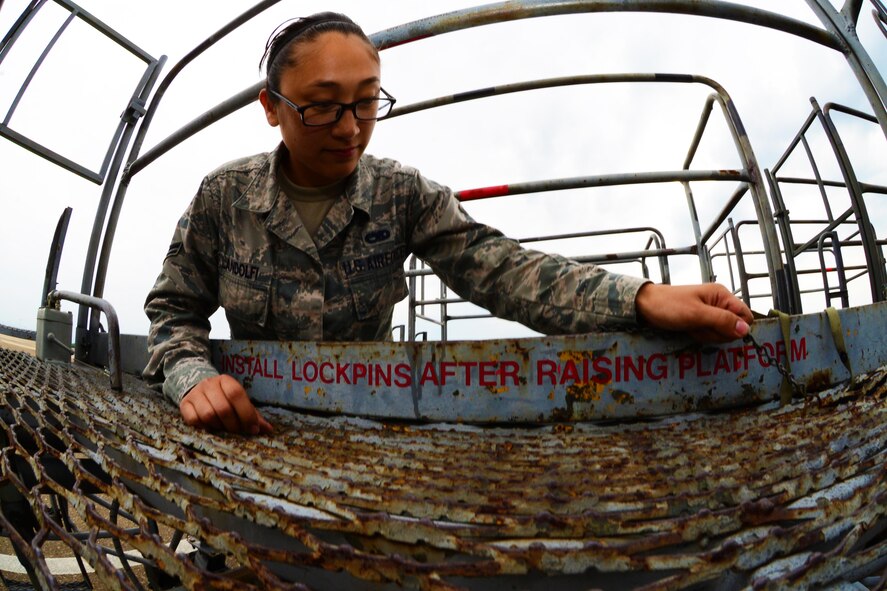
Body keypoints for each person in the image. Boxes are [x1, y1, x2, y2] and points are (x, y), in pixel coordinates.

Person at [143, 12, 754, 435]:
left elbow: (508, 272)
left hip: (367, 422)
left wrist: (643, 300)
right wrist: (193, 376)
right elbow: (174, 310)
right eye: (323, 104)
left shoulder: (401, 195)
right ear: (272, 108)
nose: (351, 128)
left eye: (366, 101)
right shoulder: (225, 198)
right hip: (253, 419)